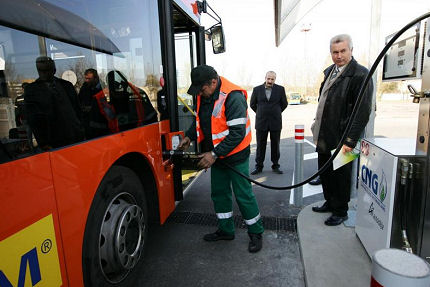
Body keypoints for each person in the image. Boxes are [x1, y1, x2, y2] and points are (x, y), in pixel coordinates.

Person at [178, 65, 264, 253]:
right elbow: (200, 120)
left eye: (202, 89)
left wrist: (214, 154)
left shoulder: (233, 97)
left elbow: (237, 134)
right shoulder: (204, 95)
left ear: (213, 82)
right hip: (216, 156)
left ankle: (256, 233)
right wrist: (189, 137)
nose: (200, 93)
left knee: (243, 195)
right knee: (219, 194)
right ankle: (226, 230)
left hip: (235, 156)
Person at [311, 34, 372, 226]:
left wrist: (350, 140)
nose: (339, 56)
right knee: (326, 173)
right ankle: (330, 202)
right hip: (325, 134)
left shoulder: (360, 74)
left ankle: (340, 211)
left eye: (343, 51)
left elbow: (363, 112)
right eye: (335, 52)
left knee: (342, 176)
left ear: (351, 50)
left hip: (345, 138)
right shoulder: (330, 71)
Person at [24, 56, 84, 150]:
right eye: (41, 70)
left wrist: (81, 129)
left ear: (54, 70)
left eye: (47, 70)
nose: (44, 73)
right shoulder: (32, 90)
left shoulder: (66, 85)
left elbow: (77, 108)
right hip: (54, 141)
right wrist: (43, 142)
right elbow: (34, 118)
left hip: (75, 136)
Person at [250, 71, 288, 175]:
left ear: (275, 79)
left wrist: (276, 112)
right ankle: (259, 166)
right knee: (260, 145)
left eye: (272, 79)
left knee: (275, 145)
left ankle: (275, 166)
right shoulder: (257, 89)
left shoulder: (280, 89)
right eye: (268, 79)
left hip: (275, 122)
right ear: (265, 78)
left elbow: (284, 104)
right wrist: (260, 112)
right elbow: (252, 104)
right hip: (261, 122)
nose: (270, 81)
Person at [78, 68, 110, 138]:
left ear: (96, 78)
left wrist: (92, 108)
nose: (86, 81)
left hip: (102, 128)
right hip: (88, 127)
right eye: (86, 78)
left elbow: (108, 108)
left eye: (89, 79)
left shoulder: (104, 89)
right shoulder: (84, 88)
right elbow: (79, 101)